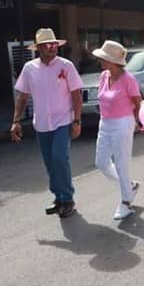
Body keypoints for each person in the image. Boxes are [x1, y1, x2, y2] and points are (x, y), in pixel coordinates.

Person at [10, 28, 83, 218]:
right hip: (42, 123)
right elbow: (23, 96)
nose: (52, 48)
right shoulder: (30, 68)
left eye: (54, 44)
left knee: (60, 158)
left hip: (63, 121)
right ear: (39, 48)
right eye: (48, 45)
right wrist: (16, 120)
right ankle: (59, 198)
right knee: (50, 163)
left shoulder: (66, 66)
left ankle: (68, 199)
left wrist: (77, 120)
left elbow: (76, 94)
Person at [92, 40, 142, 220]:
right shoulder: (104, 76)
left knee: (122, 163)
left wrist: (138, 122)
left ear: (114, 61)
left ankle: (126, 202)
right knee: (101, 162)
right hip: (105, 123)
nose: (101, 61)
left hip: (123, 123)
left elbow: (137, 103)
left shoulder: (128, 79)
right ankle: (129, 186)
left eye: (104, 59)